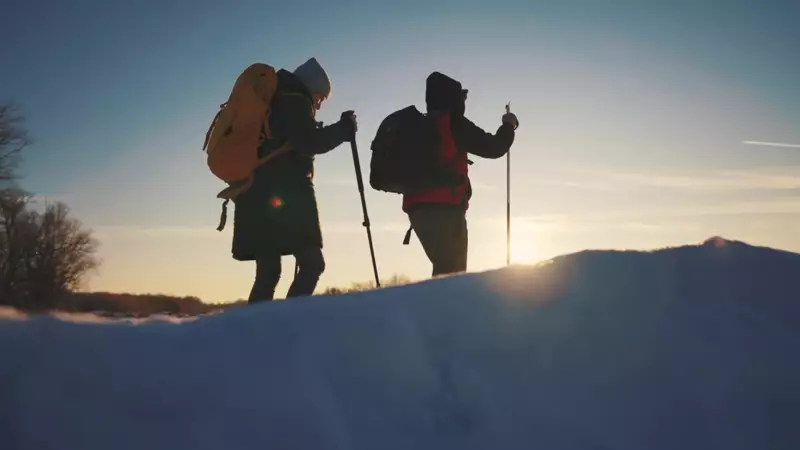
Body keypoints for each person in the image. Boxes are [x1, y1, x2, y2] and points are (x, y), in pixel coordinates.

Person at [231, 57, 358, 302]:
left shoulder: (274, 101)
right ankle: (288, 325)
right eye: (320, 98)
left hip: (253, 194)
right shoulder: (295, 100)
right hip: (285, 196)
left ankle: (255, 332)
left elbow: (295, 138)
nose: (318, 105)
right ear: (311, 88)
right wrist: (344, 128)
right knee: (312, 264)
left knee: (268, 273)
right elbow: (308, 142)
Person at [403, 71, 518, 277]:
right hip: (446, 210)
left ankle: (440, 308)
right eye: (461, 97)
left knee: (444, 271)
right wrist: (508, 126)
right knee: (452, 275)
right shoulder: (453, 124)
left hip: (417, 211)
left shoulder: (420, 125)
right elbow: (493, 147)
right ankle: (445, 309)